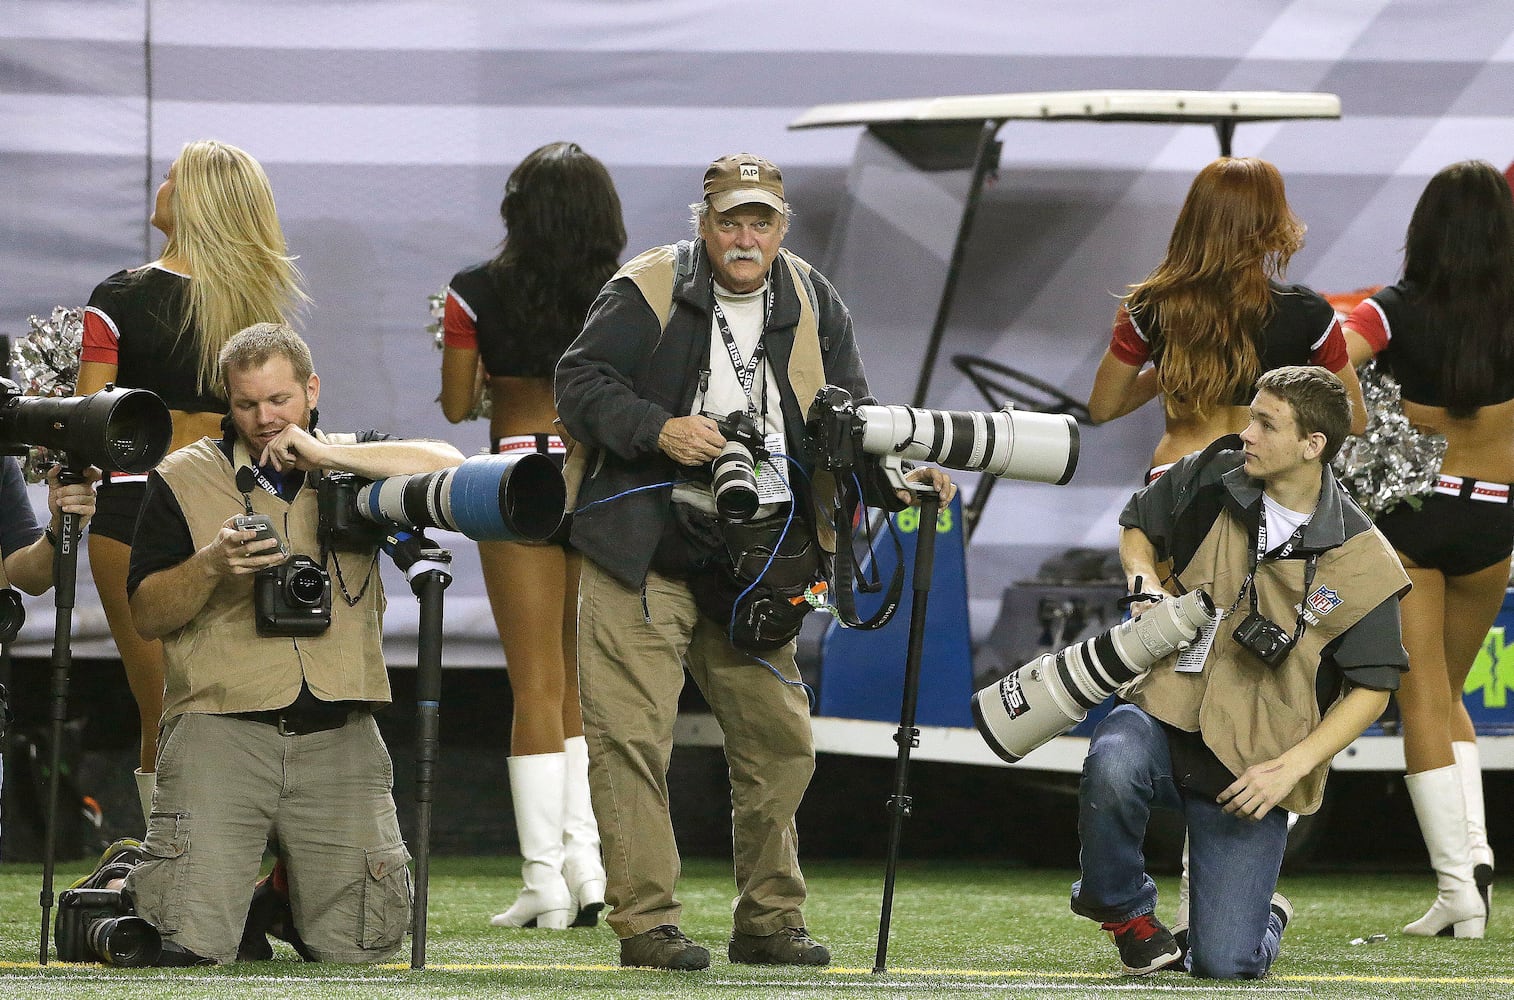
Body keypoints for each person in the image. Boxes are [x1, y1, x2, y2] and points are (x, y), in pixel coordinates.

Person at [555, 152, 955, 971]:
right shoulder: (649, 286)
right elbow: (578, 383)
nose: (745, 236)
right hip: (646, 545)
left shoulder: (811, 298)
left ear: (780, 228)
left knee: (781, 744)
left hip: (759, 557)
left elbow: (848, 422)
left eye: (760, 221)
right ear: (702, 224)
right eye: (730, 221)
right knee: (631, 738)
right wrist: (660, 429)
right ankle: (647, 924)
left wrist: (894, 479)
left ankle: (769, 920)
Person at [120, 322, 463, 964]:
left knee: (363, 950)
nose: (264, 419)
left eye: (278, 400)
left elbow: (451, 465)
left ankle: (278, 900)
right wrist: (212, 566)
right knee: (185, 946)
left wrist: (333, 459)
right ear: (228, 401)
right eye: (246, 405)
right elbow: (145, 614)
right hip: (222, 728)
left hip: (341, 732)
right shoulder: (181, 477)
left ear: (312, 390)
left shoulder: (357, 463)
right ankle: (219, 895)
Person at [1077, 366, 1409, 979]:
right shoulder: (1213, 469)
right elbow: (1136, 526)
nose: (1246, 432)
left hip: (1254, 758)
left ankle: (1263, 919)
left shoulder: (1365, 559)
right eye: (1251, 416)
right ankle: (1125, 913)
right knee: (1112, 760)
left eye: (1265, 423)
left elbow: (1373, 690)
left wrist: (1292, 767)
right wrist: (1145, 585)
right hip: (1165, 706)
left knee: (1226, 963)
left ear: (1313, 445)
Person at [77, 139, 309, 825]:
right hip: (237, 514)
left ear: (192, 200)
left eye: (171, 177)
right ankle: (225, 886)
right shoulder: (264, 315)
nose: (160, 187)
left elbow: (91, 424)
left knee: (163, 713)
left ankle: (172, 888)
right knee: (238, 709)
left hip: (134, 508)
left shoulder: (119, 297)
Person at [440, 141, 626, 930]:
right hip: (595, 478)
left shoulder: (475, 290)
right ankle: (589, 870)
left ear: (517, 209)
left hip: (516, 476)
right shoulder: (622, 292)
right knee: (580, 683)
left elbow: (456, 408)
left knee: (534, 684)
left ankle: (544, 879)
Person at [1342, 159, 1514, 938]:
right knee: (1446, 691)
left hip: (1414, 514)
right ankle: (1474, 868)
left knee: (1421, 698)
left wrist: (1358, 419)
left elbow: (1333, 352)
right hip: (1494, 521)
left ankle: (1456, 892)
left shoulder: (1395, 307)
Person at [1087, 156, 1366, 483]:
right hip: (1264, 483)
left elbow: (1102, 408)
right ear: (1271, 220)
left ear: (1193, 217)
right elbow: (1354, 421)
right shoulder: (1308, 312)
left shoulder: (1150, 305)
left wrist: (1174, 369)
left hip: (1176, 478)